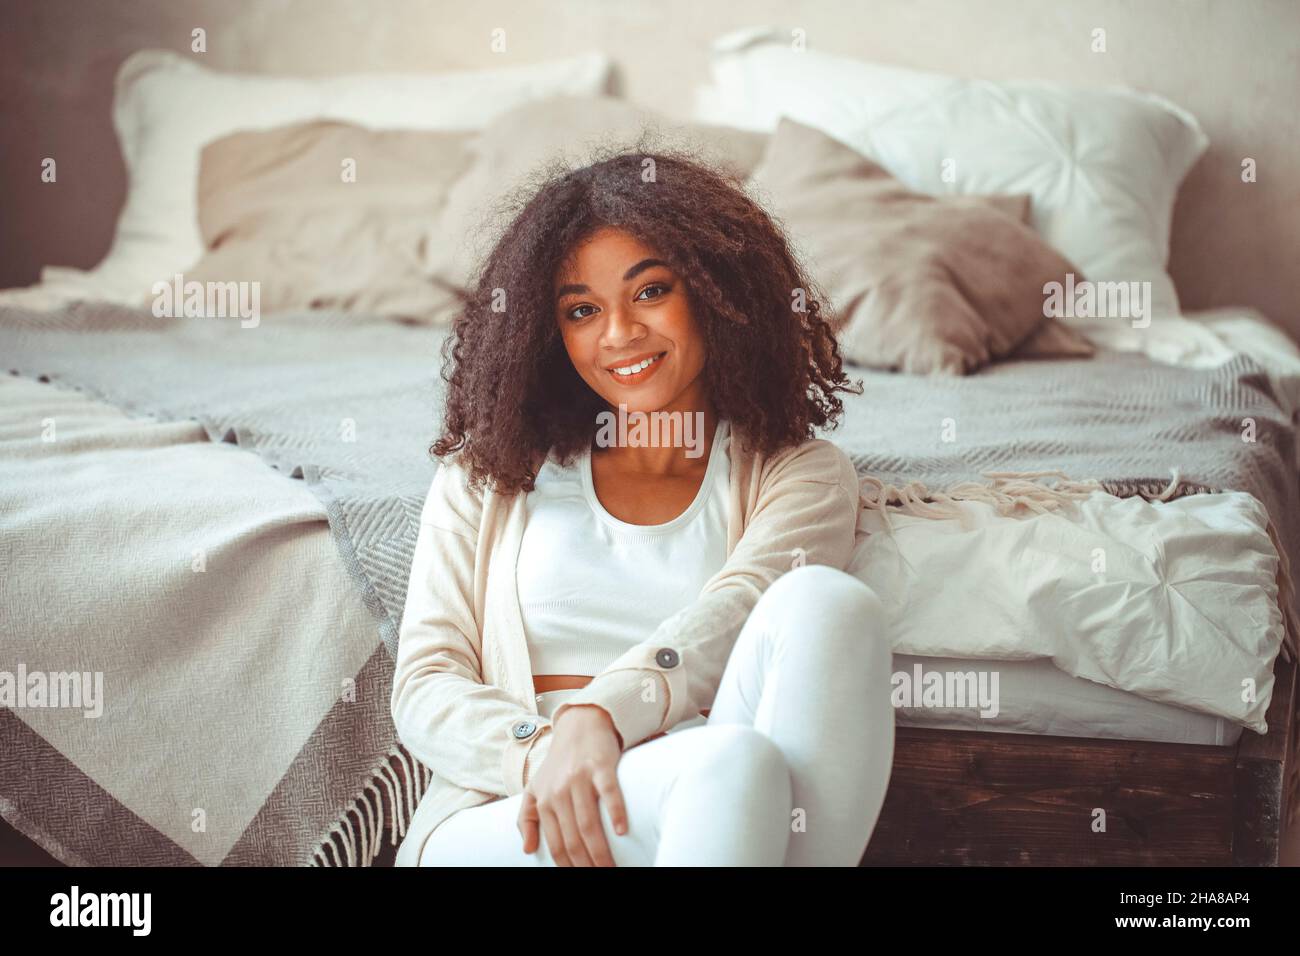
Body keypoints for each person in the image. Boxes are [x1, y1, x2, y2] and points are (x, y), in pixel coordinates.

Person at [390, 145, 895, 866]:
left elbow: (741, 608)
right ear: (547, 330)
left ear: (719, 293)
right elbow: (426, 686)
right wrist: (551, 753)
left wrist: (605, 713)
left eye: (651, 291)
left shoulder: (801, 476)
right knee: (731, 768)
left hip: (709, 811)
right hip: (513, 813)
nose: (619, 333)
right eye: (582, 310)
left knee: (829, 605)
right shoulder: (488, 477)